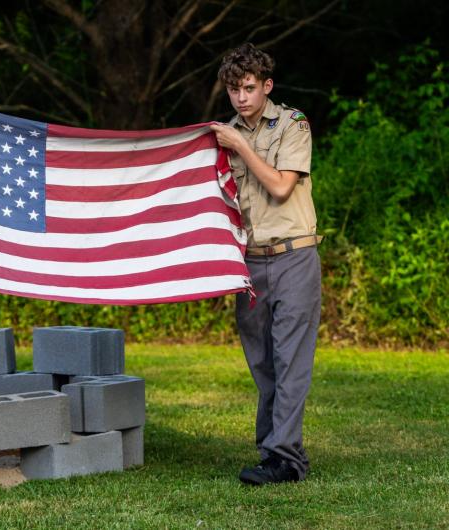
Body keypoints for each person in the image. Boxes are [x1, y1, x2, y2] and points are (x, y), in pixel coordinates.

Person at [209, 43, 321, 485]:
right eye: (234, 89)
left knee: (290, 360)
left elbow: (279, 187)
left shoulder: (292, 125)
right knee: (263, 364)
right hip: (250, 264)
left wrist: (239, 144)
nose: (241, 97)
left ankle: (284, 459)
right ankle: (275, 449)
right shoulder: (222, 136)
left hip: (293, 256)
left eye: (249, 88)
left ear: (267, 86)